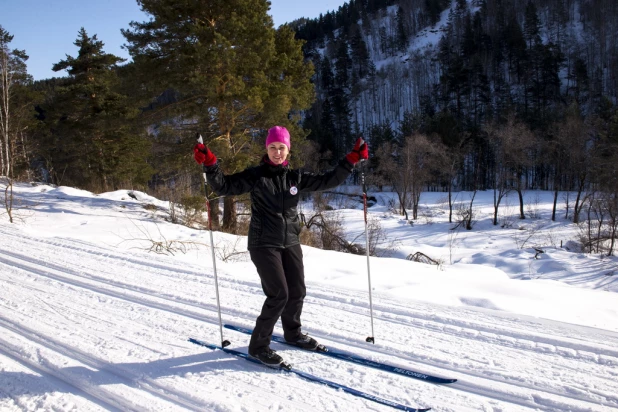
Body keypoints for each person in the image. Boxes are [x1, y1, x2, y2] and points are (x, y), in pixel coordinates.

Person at [193, 126, 368, 367]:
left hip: (291, 241)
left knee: (297, 291)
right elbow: (224, 186)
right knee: (279, 295)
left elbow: (328, 180)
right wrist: (211, 164)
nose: (277, 152)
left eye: (281, 148)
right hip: (263, 243)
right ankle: (258, 346)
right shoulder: (256, 176)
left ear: (288, 150)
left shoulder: (295, 177)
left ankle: (292, 334)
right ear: (267, 149)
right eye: (273, 148)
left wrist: (352, 159)